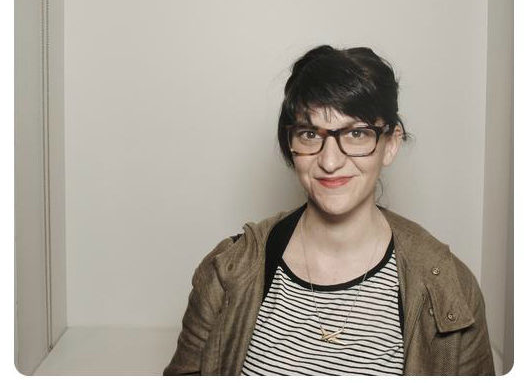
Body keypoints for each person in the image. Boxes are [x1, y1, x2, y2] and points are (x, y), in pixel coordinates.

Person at [163, 45, 494, 376]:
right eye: (309, 134)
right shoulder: (228, 270)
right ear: (291, 145)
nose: (330, 162)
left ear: (390, 143)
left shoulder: (451, 289)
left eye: (356, 133)